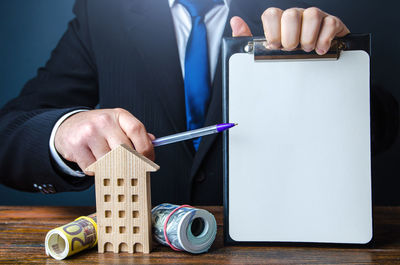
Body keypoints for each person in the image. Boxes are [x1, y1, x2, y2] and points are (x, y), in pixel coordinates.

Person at [0, 0, 384, 205]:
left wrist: (339, 73)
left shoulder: (296, 11)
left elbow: (385, 128)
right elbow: (10, 135)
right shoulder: (101, 12)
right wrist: (64, 133)